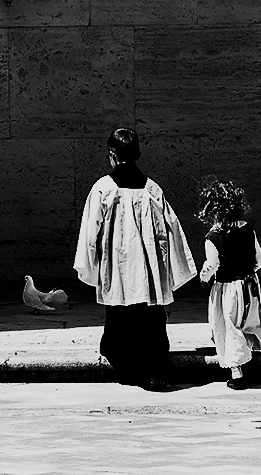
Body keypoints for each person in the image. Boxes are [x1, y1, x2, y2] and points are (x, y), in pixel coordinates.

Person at [74, 128, 196, 391]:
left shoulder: (103, 188)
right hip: (148, 268)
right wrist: (172, 269)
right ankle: (154, 371)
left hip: (117, 267)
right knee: (152, 320)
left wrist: (89, 264)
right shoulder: (152, 189)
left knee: (119, 316)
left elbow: (89, 231)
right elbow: (171, 230)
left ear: (112, 155)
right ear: (137, 154)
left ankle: (128, 368)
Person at [197, 180, 261, 389]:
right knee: (247, 322)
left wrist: (203, 278)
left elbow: (212, 264)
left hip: (227, 289)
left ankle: (237, 374)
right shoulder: (248, 230)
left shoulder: (213, 237)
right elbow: (260, 259)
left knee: (229, 327)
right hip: (249, 287)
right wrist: (248, 272)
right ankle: (249, 356)